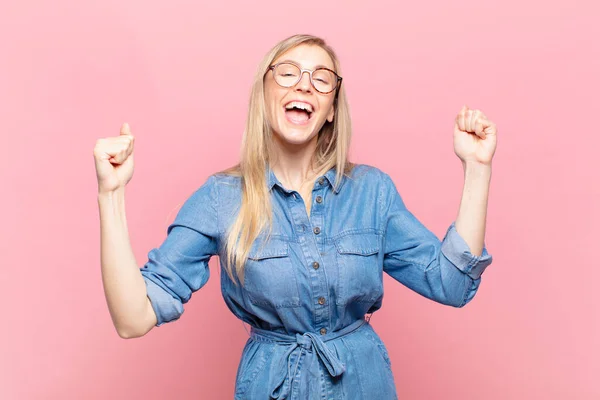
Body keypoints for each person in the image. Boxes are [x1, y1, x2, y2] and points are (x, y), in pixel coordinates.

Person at [94, 34, 497, 399]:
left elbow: (453, 284)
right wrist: (110, 195)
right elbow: (134, 318)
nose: (304, 83)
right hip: (270, 385)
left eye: (322, 78)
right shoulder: (220, 198)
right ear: (264, 95)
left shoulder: (372, 192)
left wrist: (477, 168)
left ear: (332, 110)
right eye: (287, 73)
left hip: (364, 384)